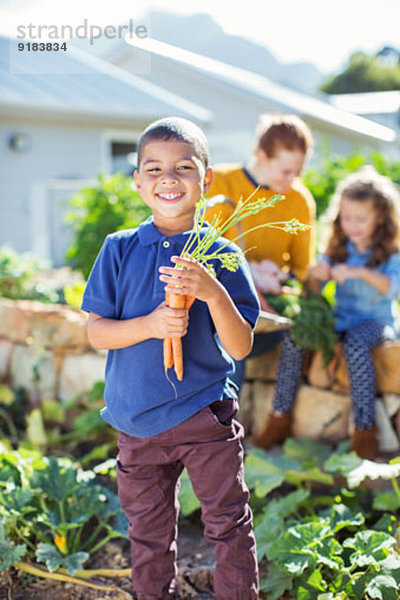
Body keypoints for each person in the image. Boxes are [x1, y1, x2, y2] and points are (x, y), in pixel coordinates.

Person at [81, 117, 260, 600]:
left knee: (228, 525)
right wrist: (152, 325)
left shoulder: (220, 253)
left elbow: (241, 346)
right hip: (136, 421)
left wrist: (212, 291)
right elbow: (97, 332)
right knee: (149, 539)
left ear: (206, 179)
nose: (169, 178)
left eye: (184, 167)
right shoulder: (118, 249)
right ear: (138, 182)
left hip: (204, 416)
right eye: (154, 168)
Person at [255, 166, 400, 460]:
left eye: (361, 219)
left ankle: (364, 428)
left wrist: (360, 272)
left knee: (355, 345)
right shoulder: (338, 246)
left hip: (376, 323)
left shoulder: (390, 251)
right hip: (341, 319)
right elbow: (312, 291)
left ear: (380, 218)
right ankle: (279, 416)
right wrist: (316, 276)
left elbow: (393, 287)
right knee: (295, 339)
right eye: (347, 218)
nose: (352, 225)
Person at [205, 113, 316, 389]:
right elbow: (201, 250)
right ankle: (222, 427)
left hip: (266, 312)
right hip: (216, 305)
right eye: (286, 171)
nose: (292, 181)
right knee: (227, 345)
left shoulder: (299, 200)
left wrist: (284, 287)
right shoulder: (219, 182)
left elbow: (302, 267)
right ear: (262, 156)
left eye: (298, 172)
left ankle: (276, 421)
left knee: (297, 337)